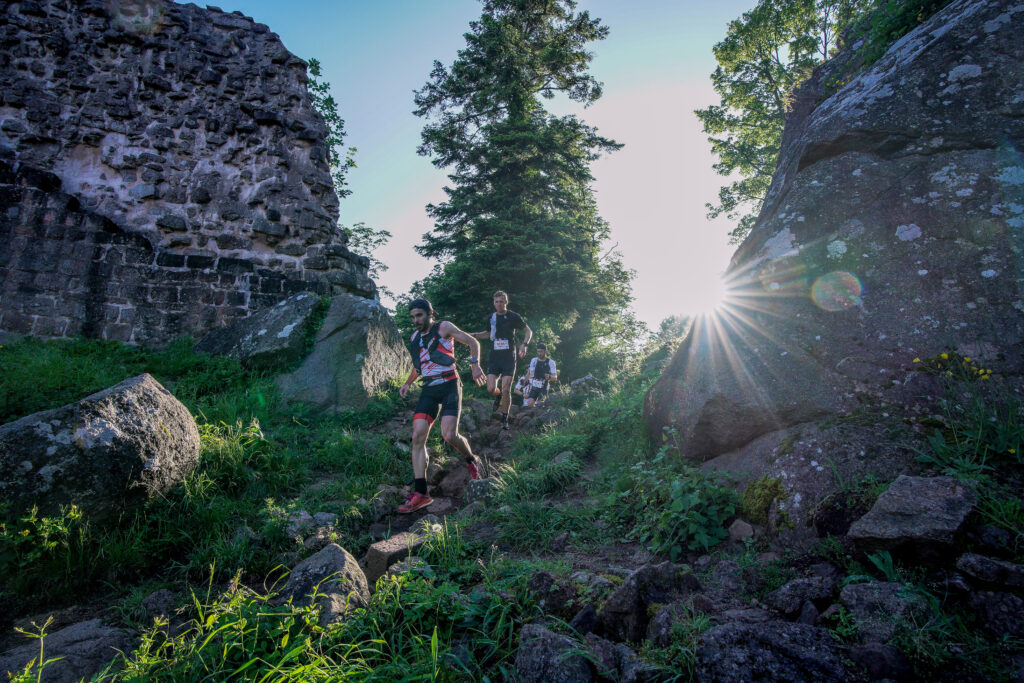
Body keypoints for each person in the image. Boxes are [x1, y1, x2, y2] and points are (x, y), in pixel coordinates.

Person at [397, 298, 486, 514]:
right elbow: (421, 365)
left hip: (449, 385)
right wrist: (407, 383)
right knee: (417, 436)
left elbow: (474, 343)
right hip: (428, 389)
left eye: (419, 315)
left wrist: (475, 366)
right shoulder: (415, 337)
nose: (416, 320)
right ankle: (421, 494)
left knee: (449, 435)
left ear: (429, 313)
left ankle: (471, 460)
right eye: (413, 317)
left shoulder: (444, 327)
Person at [471, 290, 532, 430]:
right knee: (491, 388)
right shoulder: (491, 318)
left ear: (506, 302)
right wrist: (473, 335)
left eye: (501, 302)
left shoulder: (513, 316)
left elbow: (528, 331)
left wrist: (524, 345)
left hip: (509, 356)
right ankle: (497, 397)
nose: (499, 304)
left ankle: (505, 418)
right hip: (495, 356)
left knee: (506, 388)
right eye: (496, 302)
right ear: (494, 303)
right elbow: (487, 334)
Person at [524, 342, 557, 407]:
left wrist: (549, 377)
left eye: (541, 352)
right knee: (529, 403)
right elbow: (528, 374)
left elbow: (555, 377)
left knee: (540, 405)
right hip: (534, 386)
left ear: (546, 351)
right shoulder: (533, 360)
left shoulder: (551, 362)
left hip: (544, 387)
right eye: (538, 352)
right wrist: (525, 386)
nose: (539, 354)